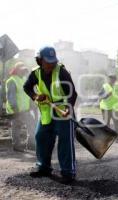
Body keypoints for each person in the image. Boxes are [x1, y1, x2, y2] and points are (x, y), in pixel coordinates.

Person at [23, 46, 77, 184]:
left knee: (65, 141)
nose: (51, 64)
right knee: (41, 137)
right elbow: (26, 87)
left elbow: (73, 94)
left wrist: (69, 109)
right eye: (48, 61)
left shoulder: (62, 72)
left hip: (63, 113)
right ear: (39, 61)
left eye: (53, 61)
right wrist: (35, 96)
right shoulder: (35, 73)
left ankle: (68, 172)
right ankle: (44, 167)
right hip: (47, 112)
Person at [5, 62, 33, 152]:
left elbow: (27, 94)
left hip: (25, 109)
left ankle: (30, 144)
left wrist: (31, 104)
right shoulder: (12, 81)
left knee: (31, 125)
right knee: (17, 128)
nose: (23, 72)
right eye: (22, 70)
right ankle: (17, 146)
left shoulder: (24, 79)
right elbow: (11, 96)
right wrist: (15, 108)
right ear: (16, 70)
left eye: (24, 70)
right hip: (16, 110)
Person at [99, 73, 118, 142]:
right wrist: (107, 95)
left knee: (117, 122)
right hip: (106, 108)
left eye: (113, 78)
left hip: (114, 108)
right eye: (110, 78)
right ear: (108, 79)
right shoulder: (105, 86)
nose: (112, 80)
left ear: (115, 79)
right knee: (106, 124)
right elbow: (100, 96)